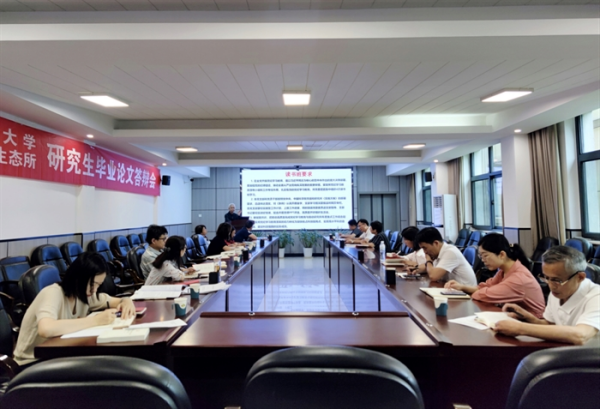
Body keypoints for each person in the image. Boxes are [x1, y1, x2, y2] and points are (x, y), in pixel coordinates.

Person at [13, 252, 136, 366]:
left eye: (98, 285)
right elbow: (46, 329)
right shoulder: (52, 293)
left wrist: (127, 301)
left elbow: (116, 301)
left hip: (58, 356)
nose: (94, 290)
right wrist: (96, 321)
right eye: (92, 284)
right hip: (32, 363)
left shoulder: (84, 295)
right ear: (79, 277)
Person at [495, 246, 599, 345]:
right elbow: (553, 325)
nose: (550, 285)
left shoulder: (596, 296)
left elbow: (580, 336)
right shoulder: (558, 290)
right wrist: (531, 319)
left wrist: (520, 328)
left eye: (556, 280)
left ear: (580, 277)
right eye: (546, 278)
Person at [444, 234, 545, 318]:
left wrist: (473, 291)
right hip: (517, 318)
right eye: (481, 256)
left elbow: (484, 294)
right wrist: (462, 287)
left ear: (502, 255)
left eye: (485, 255)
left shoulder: (518, 278)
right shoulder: (503, 271)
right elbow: (485, 286)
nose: (483, 260)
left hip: (533, 325)